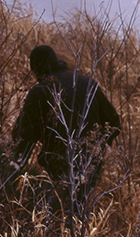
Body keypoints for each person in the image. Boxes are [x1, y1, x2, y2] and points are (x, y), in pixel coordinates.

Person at [7, 44, 122, 212]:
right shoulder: (87, 82)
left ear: (37, 69)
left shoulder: (41, 90)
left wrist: (13, 166)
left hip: (59, 167)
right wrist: (96, 149)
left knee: (54, 214)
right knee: (80, 214)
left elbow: (25, 135)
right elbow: (114, 123)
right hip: (90, 166)